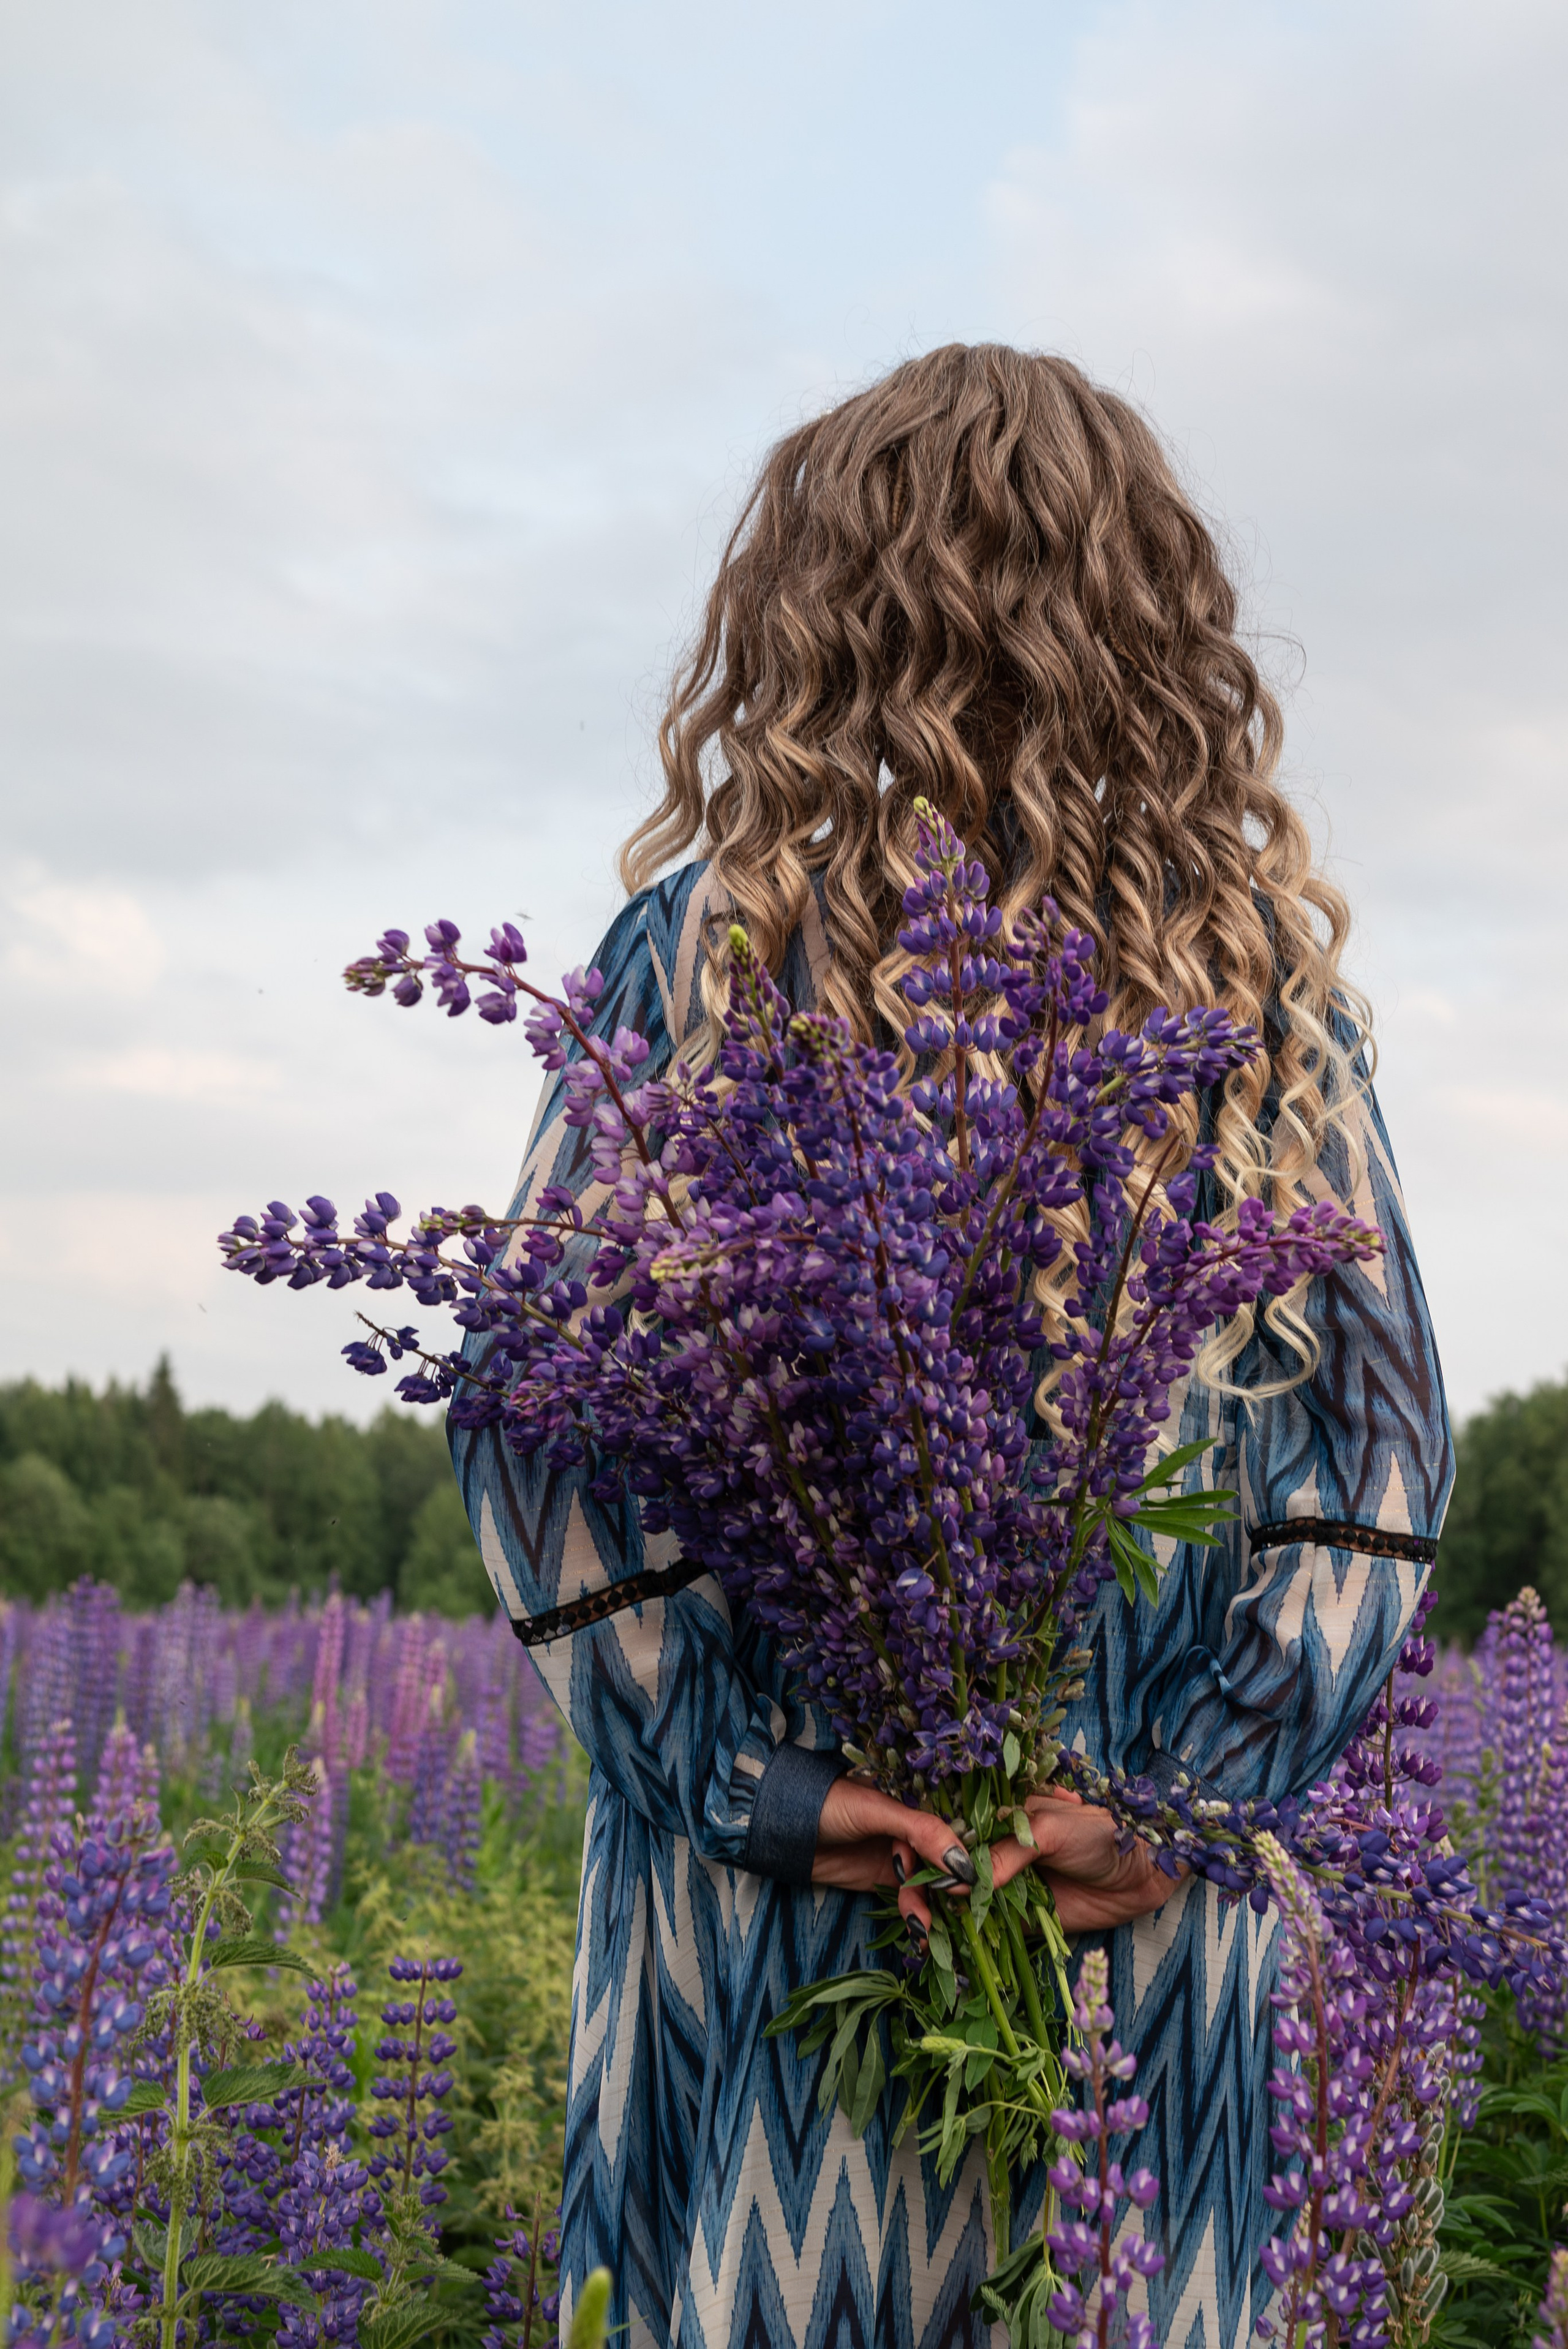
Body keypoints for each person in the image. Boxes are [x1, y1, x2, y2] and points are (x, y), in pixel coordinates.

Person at [450, 345, 1452, 2349]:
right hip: (1126, 1938)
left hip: (766, 1939)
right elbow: (1377, 1475)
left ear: (808, 616)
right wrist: (1181, 1798)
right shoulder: (1253, 997)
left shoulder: (697, 964)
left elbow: (531, 1432)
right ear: (1152, 615)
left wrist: (754, 1779)